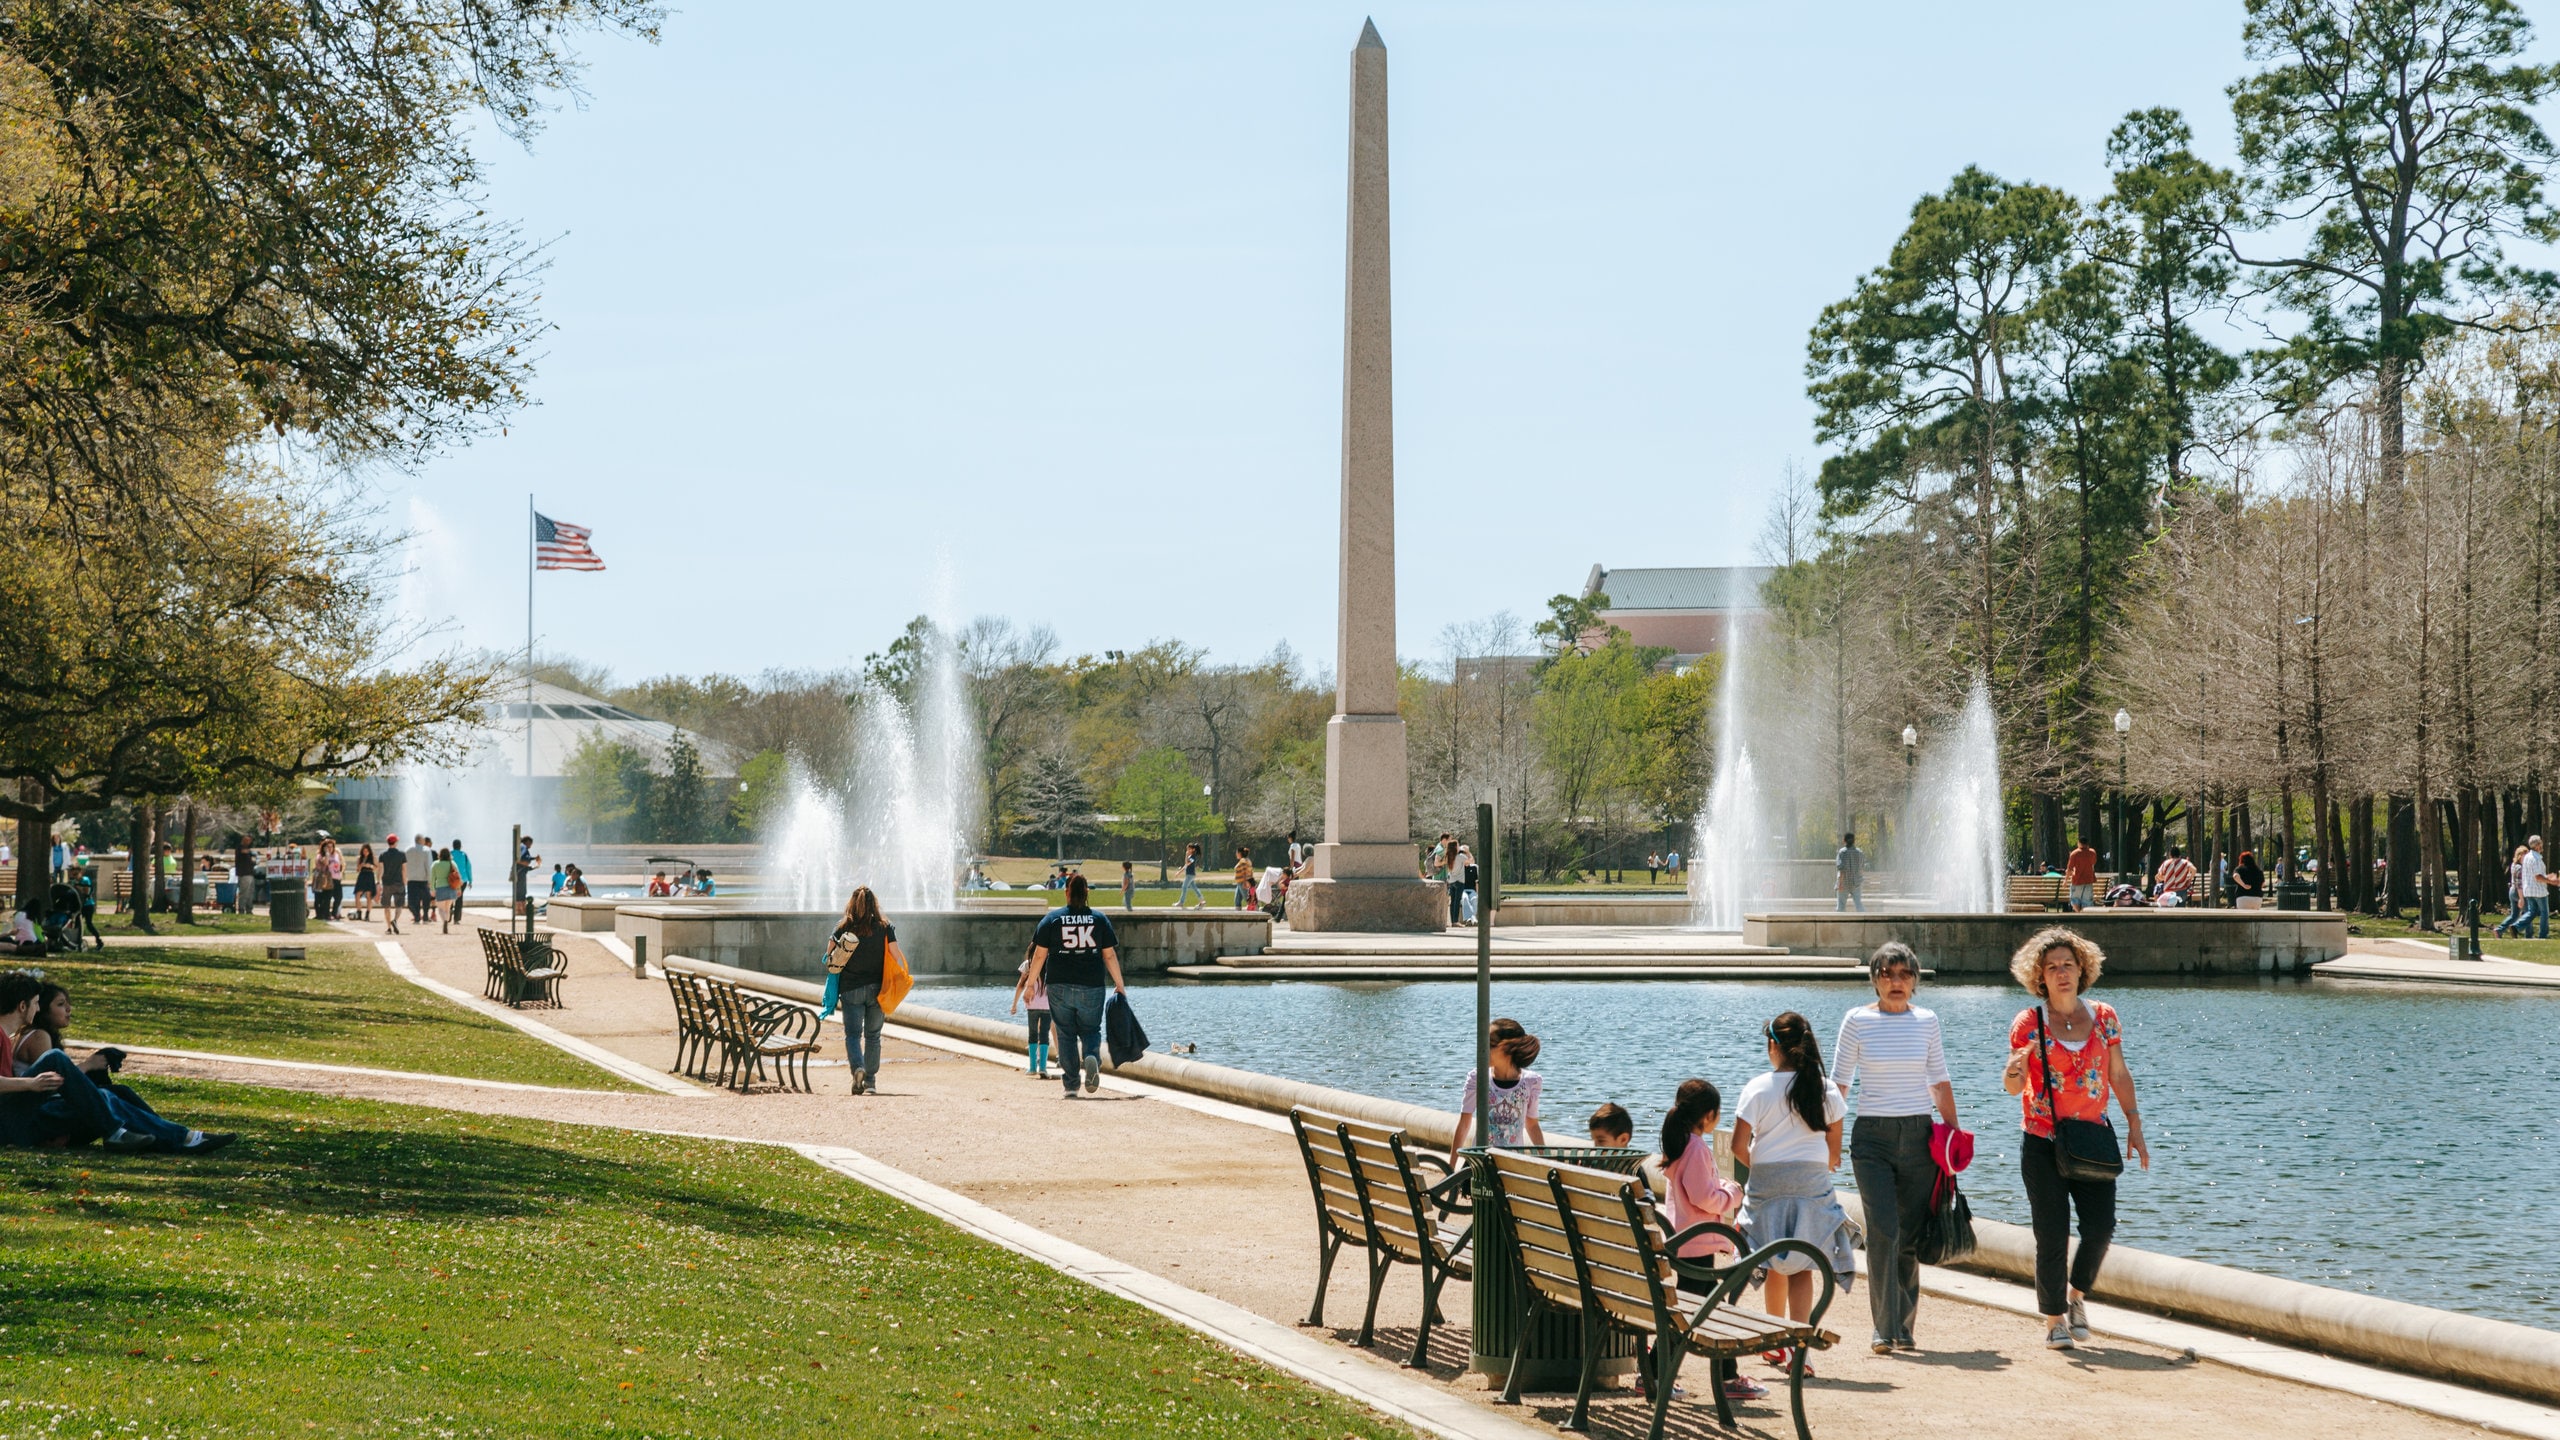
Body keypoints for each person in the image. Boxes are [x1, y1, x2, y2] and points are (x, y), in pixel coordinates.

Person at [2001, 927, 2149, 1351]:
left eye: (2069, 965)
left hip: (2093, 1137)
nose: (2062, 973)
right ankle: (2053, 1320)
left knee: (2101, 1228)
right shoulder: (2029, 1022)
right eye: (2052, 967)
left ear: (2082, 969)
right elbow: (2014, 1086)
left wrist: (2134, 1124)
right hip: (2043, 1140)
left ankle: (2077, 1296)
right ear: (2040, 976)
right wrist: (2014, 1069)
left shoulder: (2104, 1016)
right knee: (2051, 1235)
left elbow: (2118, 1074)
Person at [1833, 941, 1958, 1353]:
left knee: (1908, 1233)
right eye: (1887, 974)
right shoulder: (1856, 1021)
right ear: (1874, 981)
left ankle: (1903, 1325)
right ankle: (1883, 1328)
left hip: (1920, 1137)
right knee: (1883, 1229)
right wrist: (1828, 1139)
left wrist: (1953, 1136)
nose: (1896, 981)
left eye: (1904, 974)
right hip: (1871, 1138)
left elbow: (1939, 1081)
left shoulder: (1927, 1021)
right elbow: (1839, 1085)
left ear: (1916, 980)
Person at [1731, 1012, 1855, 1374]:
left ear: (1773, 1045)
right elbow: (1834, 1154)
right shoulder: (1827, 1089)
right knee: (1803, 1266)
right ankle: (1801, 1348)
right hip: (1811, 1184)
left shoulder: (1757, 1087)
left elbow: (1739, 1146)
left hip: (1767, 1184)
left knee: (1774, 1263)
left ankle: (1775, 1343)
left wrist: (1762, 1168)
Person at [0, 971, 232, 1154]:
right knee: (56, 1060)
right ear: (23, 1006)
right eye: (36, 1003)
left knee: (110, 1096)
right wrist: (31, 1084)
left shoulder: (7, 1038)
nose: (38, 1008)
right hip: (8, 1127)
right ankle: (173, 1137)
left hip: (18, 1120)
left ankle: (180, 1137)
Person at [1656, 1078, 1760, 1400]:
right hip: (1697, 1242)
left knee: (1706, 1308)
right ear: (1710, 1115)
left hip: (1684, 1240)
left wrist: (1721, 1190)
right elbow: (1704, 1197)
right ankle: (1655, 1373)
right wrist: (1731, 1194)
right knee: (1693, 1312)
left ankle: (1727, 1377)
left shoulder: (1680, 1143)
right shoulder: (1696, 1147)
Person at [1020, 875, 1126, 1098]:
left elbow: (1039, 956)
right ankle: (1091, 1058)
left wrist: (1030, 985)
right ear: (1087, 892)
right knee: (1091, 1030)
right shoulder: (1099, 919)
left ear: (1066, 892)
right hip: (1092, 985)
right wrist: (1119, 983)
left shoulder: (1052, 920)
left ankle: (1070, 1085)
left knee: (1065, 1033)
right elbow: (1109, 955)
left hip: (1059, 985)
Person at [16, 983, 149, 1115]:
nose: (68, 1008)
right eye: (61, 1004)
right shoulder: (39, 1036)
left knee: (119, 1092)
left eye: (68, 1003)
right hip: (40, 1108)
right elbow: (53, 1083)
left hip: (48, 1102)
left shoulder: (42, 1034)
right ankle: (164, 1132)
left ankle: (162, 1131)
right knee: (113, 1096)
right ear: (44, 1009)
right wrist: (88, 1065)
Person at [818, 885, 897, 1095]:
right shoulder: (885, 926)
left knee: (853, 1035)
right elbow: (896, 955)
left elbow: (828, 955)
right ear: (874, 904)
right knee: (873, 1036)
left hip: (851, 989)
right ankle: (870, 1082)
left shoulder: (844, 926)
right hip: (878, 989)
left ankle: (857, 1068)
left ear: (852, 903)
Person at [1448, 1019, 1544, 1164]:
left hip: (1512, 1166)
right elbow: (1464, 1124)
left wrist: (1547, 1162)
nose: (1483, 1048)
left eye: (1491, 1044)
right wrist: (1451, 1169)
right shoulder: (1477, 1078)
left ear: (1509, 1048)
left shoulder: (1530, 1082)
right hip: (1479, 1165)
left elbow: (1532, 1125)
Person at [1011, 943, 1052, 1078]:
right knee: (1045, 1035)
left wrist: (1014, 1004)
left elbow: (1020, 985)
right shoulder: (1051, 963)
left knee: (1032, 1035)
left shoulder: (1028, 965)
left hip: (1032, 1005)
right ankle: (1044, 1068)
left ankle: (1033, 1067)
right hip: (1047, 1006)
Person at [2516, 836, 2550, 940]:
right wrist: (2552, 881)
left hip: (2528, 889)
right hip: (2538, 890)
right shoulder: (2536, 858)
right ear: (2537, 845)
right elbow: (2538, 876)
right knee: (2544, 912)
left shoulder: (2527, 857)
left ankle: (2516, 926)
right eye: (2540, 843)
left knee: (2531, 912)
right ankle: (2543, 935)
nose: (2541, 845)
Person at [376, 838, 406, 935]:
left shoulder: (383, 855)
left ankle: (389, 927)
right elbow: (404, 870)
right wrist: (405, 882)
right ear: (396, 842)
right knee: (399, 905)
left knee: (387, 906)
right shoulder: (402, 854)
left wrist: (378, 881)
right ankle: (395, 920)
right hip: (398, 882)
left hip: (387, 883)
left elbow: (380, 870)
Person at [403, 834, 432, 923]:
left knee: (412, 900)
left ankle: (416, 916)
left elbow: (404, 865)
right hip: (423, 879)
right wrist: (430, 879)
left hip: (411, 879)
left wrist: (405, 877)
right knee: (426, 899)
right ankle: (425, 916)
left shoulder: (407, 850)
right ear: (421, 841)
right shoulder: (426, 850)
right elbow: (428, 865)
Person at [429, 848, 459, 934]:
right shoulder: (452, 863)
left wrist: (432, 889)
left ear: (440, 855)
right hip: (451, 888)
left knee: (441, 909)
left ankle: (445, 921)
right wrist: (458, 888)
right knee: (447, 908)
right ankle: (446, 921)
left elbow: (432, 878)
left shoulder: (435, 864)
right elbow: (457, 876)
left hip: (440, 888)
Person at [1834, 832, 1866, 913]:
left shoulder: (1842, 852)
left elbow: (1841, 869)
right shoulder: (1859, 852)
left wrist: (1840, 884)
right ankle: (1865, 921)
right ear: (1854, 841)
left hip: (1844, 882)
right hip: (1856, 883)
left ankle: (1840, 924)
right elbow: (1861, 869)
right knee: (1859, 905)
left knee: (1841, 906)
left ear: (1844, 841)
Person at [2063, 837, 2098, 911]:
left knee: (2075, 900)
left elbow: (2069, 869)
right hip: (2089, 880)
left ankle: (2078, 913)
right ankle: (2084, 916)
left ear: (2079, 843)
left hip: (2077, 880)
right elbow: (2093, 864)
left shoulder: (2075, 853)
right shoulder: (2092, 852)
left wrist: (2065, 880)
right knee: (2087, 901)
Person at [351, 844, 377, 921]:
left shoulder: (373, 858)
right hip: (362, 875)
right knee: (357, 894)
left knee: (369, 895)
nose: (365, 852)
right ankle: (359, 912)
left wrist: (370, 866)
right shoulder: (360, 858)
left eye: (367, 851)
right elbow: (357, 870)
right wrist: (361, 865)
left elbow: (376, 867)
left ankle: (367, 914)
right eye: (364, 851)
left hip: (369, 875)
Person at [449, 838, 472, 916]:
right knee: (459, 898)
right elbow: (468, 868)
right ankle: (457, 918)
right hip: (462, 880)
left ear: (452, 846)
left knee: (450, 896)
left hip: (451, 879)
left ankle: (449, 913)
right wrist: (470, 881)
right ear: (461, 846)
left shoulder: (449, 854)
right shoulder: (464, 855)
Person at [1176, 844, 1203, 909]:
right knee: (1194, 888)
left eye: (1189, 849)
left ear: (1193, 849)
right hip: (1189, 875)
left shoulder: (1193, 857)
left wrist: (1186, 855)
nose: (1187, 850)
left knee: (1184, 887)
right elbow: (1186, 866)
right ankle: (1202, 901)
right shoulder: (1190, 856)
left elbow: (1187, 863)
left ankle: (1181, 902)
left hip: (1190, 875)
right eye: (1187, 849)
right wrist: (1179, 872)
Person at [1232, 846, 1255, 911]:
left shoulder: (1243, 861)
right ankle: (1238, 913)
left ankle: (1254, 912)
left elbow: (1244, 872)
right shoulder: (1247, 860)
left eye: (1236, 852)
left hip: (1242, 882)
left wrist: (1245, 882)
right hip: (1240, 882)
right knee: (1237, 900)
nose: (1236, 854)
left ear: (1239, 853)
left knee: (1247, 898)